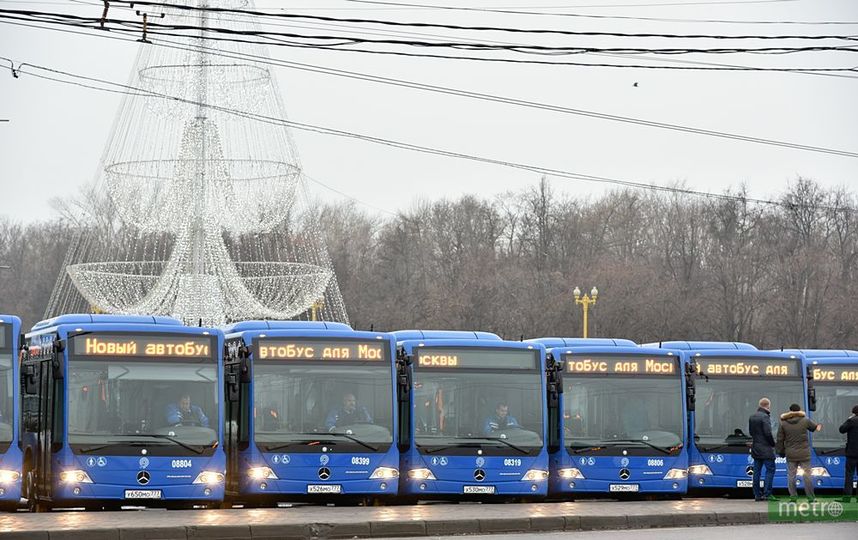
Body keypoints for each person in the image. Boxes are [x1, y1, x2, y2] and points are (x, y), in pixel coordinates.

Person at [776, 403, 822, 501]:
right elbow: (815, 428)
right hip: (804, 453)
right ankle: (810, 497)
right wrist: (819, 426)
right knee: (807, 475)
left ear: (790, 411)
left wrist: (780, 451)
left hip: (790, 453)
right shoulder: (805, 420)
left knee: (791, 475)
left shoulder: (783, 423)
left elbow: (780, 439)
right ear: (799, 410)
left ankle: (793, 497)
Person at [748, 397, 777, 501]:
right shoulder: (765, 417)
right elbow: (768, 433)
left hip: (756, 448)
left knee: (756, 472)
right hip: (766, 449)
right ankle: (767, 494)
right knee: (770, 470)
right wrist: (773, 444)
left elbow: (751, 432)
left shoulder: (752, 417)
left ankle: (757, 494)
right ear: (768, 406)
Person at [839, 404, 858, 502]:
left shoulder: (852, 421)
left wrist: (849, 419)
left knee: (849, 475)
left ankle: (847, 497)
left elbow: (841, 429)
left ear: (853, 412)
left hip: (852, 453)